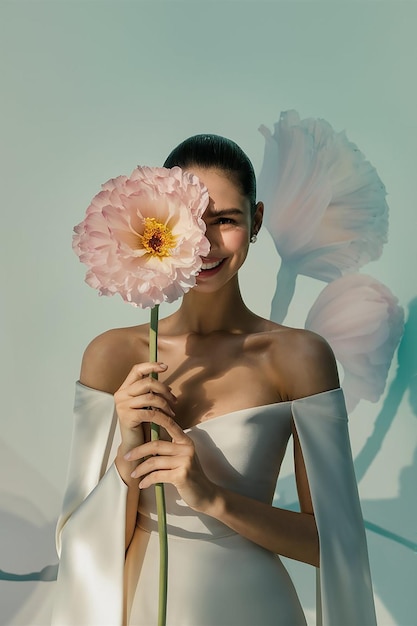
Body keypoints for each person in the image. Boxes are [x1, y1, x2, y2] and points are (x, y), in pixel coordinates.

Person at [51, 135, 377, 626]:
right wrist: (126, 461)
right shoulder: (113, 356)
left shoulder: (297, 356)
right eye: (189, 224)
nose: (203, 244)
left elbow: (333, 544)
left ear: (258, 220)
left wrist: (212, 497)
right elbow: (74, 544)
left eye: (224, 220)